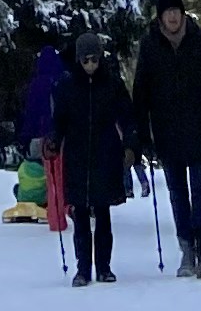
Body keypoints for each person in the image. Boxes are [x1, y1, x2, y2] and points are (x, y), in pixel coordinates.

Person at [132, 0, 201, 278]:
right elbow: (141, 94)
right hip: (166, 134)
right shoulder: (150, 47)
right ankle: (186, 249)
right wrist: (142, 136)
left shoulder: (199, 41)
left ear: (183, 14)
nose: (173, 17)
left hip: (199, 130)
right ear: (160, 17)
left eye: (176, 11)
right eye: (168, 13)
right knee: (177, 193)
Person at [51, 27, 138, 287]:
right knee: (79, 215)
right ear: (79, 60)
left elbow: (127, 116)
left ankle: (104, 267)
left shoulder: (112, 84)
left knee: (103, 213)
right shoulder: (67, 86)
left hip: (105, 155)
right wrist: (54, 141)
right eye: (86, 60)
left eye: (95, 60)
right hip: (77, 156)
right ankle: (82, 269)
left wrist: (131, 145)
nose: (90, 65)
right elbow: (59, 122)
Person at [17, 34, 69, 237]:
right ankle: (63, 205)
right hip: (63, 136)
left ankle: (48, 204)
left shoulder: (37, 85)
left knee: (45, 171)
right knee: (62, 172)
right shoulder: (64, 80)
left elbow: (31, 114)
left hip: (42, 137)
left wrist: (25, 137)